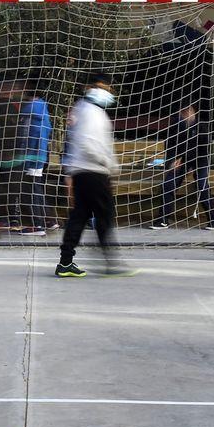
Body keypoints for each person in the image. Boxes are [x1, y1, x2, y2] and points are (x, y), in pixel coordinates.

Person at [55, 72, 134, 278]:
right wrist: (108, 163)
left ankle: (65, 262)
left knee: (80, 216)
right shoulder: (91, 112)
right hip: (93, 171)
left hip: (83, 171)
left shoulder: (84, 109)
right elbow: (87, 142)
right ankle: (111, 262)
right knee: (104, 216)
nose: (107, 92)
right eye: (104, 88)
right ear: (91, 88)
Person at [152, 104, 214, 231]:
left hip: (200, 161)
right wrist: (172, 161)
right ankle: (162, 220)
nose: (185, 115)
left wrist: (193, 167)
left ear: (193, 111)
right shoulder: (176, 125)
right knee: (168, 184)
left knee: (202, 185)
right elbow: (170, 144)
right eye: (182, 112)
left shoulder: (202, 127)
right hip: (182, 161)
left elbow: (205, 150)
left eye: (187, 111)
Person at [14, 81, 52, 236]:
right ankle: (48, 221)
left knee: (31, 189)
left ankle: (38, 225)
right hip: (41, 153)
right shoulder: (43, 108)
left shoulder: (28, 110)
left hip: (32, 156)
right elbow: (48, 131)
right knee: (35, 188)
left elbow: (25, 136)